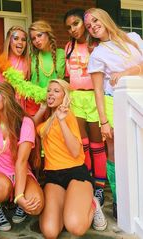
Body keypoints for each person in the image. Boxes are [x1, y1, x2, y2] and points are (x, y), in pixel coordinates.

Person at [84, 7, 143, 220]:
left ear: (105, 17)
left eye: (95, 21)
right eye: (89, 26)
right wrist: (104, 122)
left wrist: (127, 72)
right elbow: (98, 90)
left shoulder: (133, 38)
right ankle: (120, 200)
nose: (93, 26)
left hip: (139, 98)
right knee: (115, 154)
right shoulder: (98, 53)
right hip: (113, 103)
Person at [34, 79, 107, 238]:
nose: (51, 94)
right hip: (53, 176)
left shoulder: (67, 116)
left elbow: (75, 151)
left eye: (56, 91)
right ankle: (69, 202)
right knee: (50, 232)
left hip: (75, 173)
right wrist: (42, 109)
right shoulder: (46, 123)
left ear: (64, 96)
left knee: (75, 227)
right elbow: (30, 128)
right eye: (49, 90)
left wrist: (61, 120)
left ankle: (93, 204)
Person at [0, 82, 44, 231]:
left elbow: (22, 161)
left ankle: (18, 202)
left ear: (6, 98)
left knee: (36, 206)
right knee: (1, 188)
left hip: (21, 172)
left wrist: (19, 196)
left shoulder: (25, 123)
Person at [64, 8, 107, 207]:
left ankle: (99, 185)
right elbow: (67, 76)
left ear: (85, 23)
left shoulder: (98, 45)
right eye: (69, 27)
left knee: (98, 144)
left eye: (76, 24)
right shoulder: (68, 47)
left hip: (95, 97)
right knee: (83, 143)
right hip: (76, 98)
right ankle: (88, 179)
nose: (72, 29)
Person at [28, 20, 65, 115]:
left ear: (48, 34)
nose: (37, 40)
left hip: (55, 104)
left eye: (39, 35)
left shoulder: (61, 54)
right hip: (35, 104)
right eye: (33, 38)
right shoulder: (31, 57)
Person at [0, 26, 30, 111]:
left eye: (23, 40)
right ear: (9, 41)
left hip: (20, 108)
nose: (20, 42)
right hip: (3, 107)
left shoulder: (27, 62)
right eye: (16, 38)